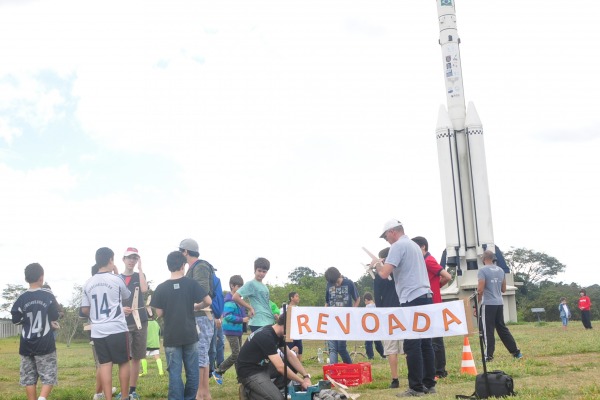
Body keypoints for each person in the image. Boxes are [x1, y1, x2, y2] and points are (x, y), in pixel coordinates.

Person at [375, 219, 436, 397]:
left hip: (411, 297)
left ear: (393, 231)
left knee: (412, 343)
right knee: (426, 342)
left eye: (386, 235)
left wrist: (377, 264)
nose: (386, 239)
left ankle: (416, 387)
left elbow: (384, 273)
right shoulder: (414, 246)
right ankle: (429, 384)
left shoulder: (397, 246)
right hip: (425, 295)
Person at [151, 251, 212, 400]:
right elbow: (208, 301)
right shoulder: (191, 284)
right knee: (192, 373)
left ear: (168, 266)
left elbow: (159, 313)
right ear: (183, 265)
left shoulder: (161, 288)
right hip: (190, 334)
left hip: (171, 336)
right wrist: (197, 307)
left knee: (175, 374)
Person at [81, 248, 132, 400]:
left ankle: (107, 397)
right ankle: (124, 397)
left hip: (97, 330)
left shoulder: (88, 283)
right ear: (110, 260)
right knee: (123, 362)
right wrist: (116, 274)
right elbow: (126, 296)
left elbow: (84, 309)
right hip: (117, 327)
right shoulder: (116, 279)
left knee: (105, 365)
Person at [11, 263, 60, 400]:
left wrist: (26, 319)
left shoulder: (21, 298)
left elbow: (15, 319)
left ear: (26, 278)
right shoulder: (47, 295)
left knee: (29, 378)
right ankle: (42, 398)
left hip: (26, 344)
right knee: (48, 376)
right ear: (41, 277)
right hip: (45, 343)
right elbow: (54, 315)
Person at [236, 314, 313, 400]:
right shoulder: (266, 336)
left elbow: (290, 356)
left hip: (263, 367)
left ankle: (268, 389)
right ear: (286, 326)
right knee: (278, 398)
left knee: (291, 366)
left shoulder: (276, 332)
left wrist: (305, 376)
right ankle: (250, 392)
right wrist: (302, 382)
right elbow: (280, 367)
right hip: (249, 372)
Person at [412, 236, 452, 379]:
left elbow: (447, 276)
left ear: (422, 247)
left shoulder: (429, 260)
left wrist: (435, 288)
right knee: (429, 338)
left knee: (436, 339)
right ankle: (434, 369)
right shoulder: (422, 261)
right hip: (427, 303)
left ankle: (440, 370)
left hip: (433, 304)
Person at [180, 238, 215, 400]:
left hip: (202, 316)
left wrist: (193, 306)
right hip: (199, 316)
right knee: (201, 355)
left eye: (181, 251)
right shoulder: (194, 267)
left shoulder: (200, 266)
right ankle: (203, 392)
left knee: (201, 354)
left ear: (186, 252)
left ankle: (201, 393)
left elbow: (203, 291)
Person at [477, 249, 523, 361]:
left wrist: (476, 305)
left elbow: (480, 289)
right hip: (499, 303)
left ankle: (488, 356)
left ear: (484, 259)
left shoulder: (482, 271)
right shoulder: (501, 270)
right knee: (502, 328)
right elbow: (503, 289)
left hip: (488, 303)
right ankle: (516, 352)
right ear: (493, 259)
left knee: (487, 330)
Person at [120, 247, 149, 400]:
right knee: (124, 357)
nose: (132, 260)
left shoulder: (140, 276)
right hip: (122, 322)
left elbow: (144, 290)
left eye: (134, 258)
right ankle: (123, 390)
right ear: (123, 259)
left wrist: (141, 269)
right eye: (129, 258)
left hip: (140, 321)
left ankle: (132, 390)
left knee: (137, 356)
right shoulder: (117, 278)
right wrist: (121, 309)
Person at [374, 247, 404, 389]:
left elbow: (377, 295)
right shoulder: (400, 269)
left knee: (391, 348)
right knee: (409, 346)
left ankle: (395, 379)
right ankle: (414, 375)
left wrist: (380, 312)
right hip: (403, 309)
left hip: (387, 312)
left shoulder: (379, 275)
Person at [212, 275, 248, 384]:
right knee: (236, 354)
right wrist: (242, 319)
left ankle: (240, 378)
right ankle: (218, 371)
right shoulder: (228, 301)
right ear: (232, 286)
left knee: (239, 355)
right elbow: (227, 316)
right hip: (231, 330)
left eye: (242, 286)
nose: (240, 288)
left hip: (238, 330)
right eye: (238, 286)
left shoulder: (238, 300)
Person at [324, 266, 360, 365]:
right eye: (333, 283)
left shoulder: (349, 283)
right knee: (332, 348)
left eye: (337, 282)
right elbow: (327, 302)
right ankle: (332, 372)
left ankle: (351, 368)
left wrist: (353, 311)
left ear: (340, 275)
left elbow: (357, 299)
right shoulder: (329, 284)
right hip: (331, 319)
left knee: (341, 347)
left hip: (344, 320)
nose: (336, 284)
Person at [233, 258, 275, 332]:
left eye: (264, 271)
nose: (261, 273)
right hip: (258, 321)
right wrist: (250, 308)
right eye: (259, 270)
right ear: (255, 270)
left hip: (268, 320)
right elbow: (236, 297)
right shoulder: (251, 284)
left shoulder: (265, 287)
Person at [362, 292, 385, 360]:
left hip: (368, 327)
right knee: (378, 342)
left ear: (366, 300)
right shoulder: (376, 305)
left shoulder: (367, 307)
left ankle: (370, 356)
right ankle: (383, 355)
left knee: (368, 343)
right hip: (376, 326)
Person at [285, 292, 303, 361]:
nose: (298, 298)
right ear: (291, 298)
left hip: (298, 332)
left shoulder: (299, 309)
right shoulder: (285, 308)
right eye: (296, 296)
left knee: (299, 350)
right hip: (289, 334)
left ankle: (298, 368)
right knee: (289, 351)